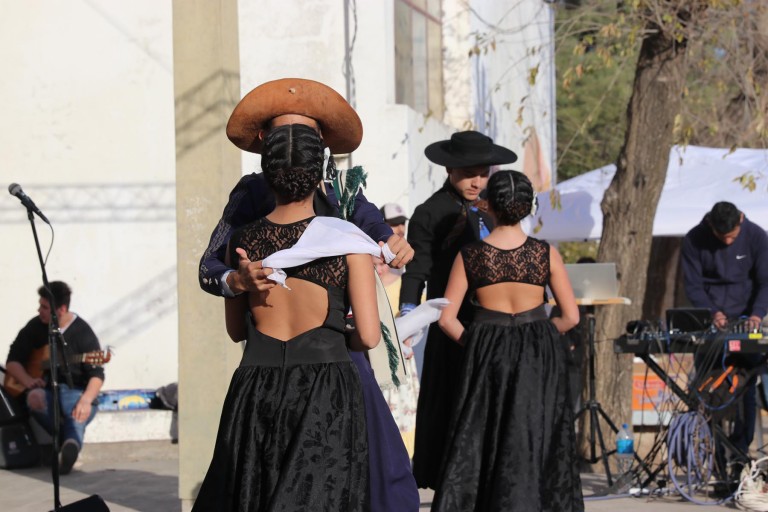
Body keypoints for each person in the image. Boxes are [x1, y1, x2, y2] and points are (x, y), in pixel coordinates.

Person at [196, 79, 419, 511]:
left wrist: (391, 242)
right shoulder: (250, 194)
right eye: (286, 134)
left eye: (307, 135)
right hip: (294, 359)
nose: (296, 143)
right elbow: (210, 266)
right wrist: (236, 282)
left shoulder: (342, 191)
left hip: (328, 360)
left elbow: (373, 225)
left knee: (376, 472)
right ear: (267, 141)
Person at [432, 170, 584, 511]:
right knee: (535, 432)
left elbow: (446, 319)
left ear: (489, 205)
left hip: (488, 350)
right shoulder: (545, 253)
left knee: (484, 434)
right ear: (527, 206)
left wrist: (477, 342)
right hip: (538, 352)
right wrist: (543, 334)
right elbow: (571, 317)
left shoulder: (471, 255)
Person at [399, 130, 518, 489]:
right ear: (449, 169)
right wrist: (407, 318)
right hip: (451, 327)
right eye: (468, 174)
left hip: (494, 325)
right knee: (451, 405)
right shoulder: (429, 213)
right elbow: (417, 269)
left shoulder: (495, 213)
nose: (476, 181)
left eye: (483, 173)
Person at [681, 201, 768, 478]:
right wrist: (712, 313)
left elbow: (766, 282)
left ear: (741, 219)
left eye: (732, 236)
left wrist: (756, 315)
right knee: (709, 390)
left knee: (746, 389)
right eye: (722, 237)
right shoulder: (694, 239)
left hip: (747, 320)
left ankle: (740, 456)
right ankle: (717, 460)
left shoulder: (757, 237)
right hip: (712, 325)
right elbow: (693, 285)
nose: (728, 242)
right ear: (711, 225)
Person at [4, 281, 104, 475]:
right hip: (49, 391)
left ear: (61, 310)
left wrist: (86, 400)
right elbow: (13, 362)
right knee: (35, 397)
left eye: (44, 307)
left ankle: (69, 447)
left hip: (77, 392)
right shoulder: (35, 326)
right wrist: (28, 381)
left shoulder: (82, 332)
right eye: (40, 305)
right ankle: (70, 445)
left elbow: (97, 375)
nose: (39, 310)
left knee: (71, 406)